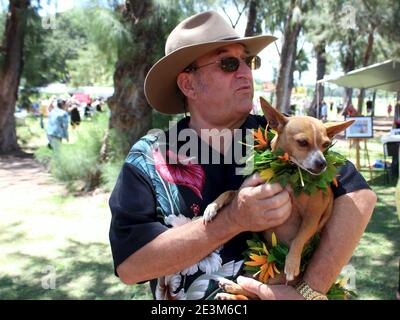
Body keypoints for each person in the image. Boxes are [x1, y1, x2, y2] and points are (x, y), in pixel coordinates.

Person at [109, 11, 376, 300]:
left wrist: (309, 291)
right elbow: (130, 267)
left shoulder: (281, 136)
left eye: (248, 61)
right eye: (228, 63)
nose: (245, 71)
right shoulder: (148, 158)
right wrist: (233, 219)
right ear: (188, 85)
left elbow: (360, 196)